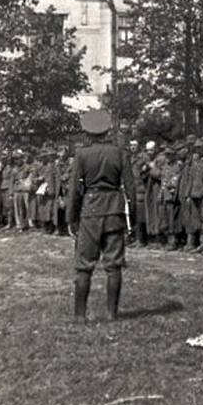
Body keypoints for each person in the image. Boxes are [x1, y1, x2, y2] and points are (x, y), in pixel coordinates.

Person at [66, 110, 136, 324]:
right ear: (107, 129)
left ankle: (79, 315)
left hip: (91, 209)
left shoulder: (82, 154)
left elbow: (74, 190)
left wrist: (71, 218)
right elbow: (131, 190)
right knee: (114, 265)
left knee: (84, 264)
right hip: (114, 208)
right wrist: (132, 220)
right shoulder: (120, 152)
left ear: (87, 132)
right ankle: (112, 314)